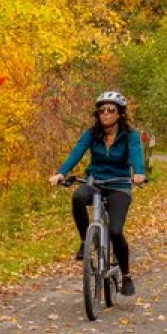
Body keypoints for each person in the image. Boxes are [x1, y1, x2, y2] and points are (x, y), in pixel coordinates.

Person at [47, 90, 147, 295]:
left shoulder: (130, 136)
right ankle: (86, 241)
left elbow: (136, 155)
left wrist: (138, 173)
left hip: (119, 185)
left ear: (120, 113)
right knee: (78, 197)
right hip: (95, 181)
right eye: (102, 110)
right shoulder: (91, 134)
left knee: (116, 231)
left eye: (111, 110)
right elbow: (76, 153)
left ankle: (126, 275)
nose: (106, 114)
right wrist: (60, 173)